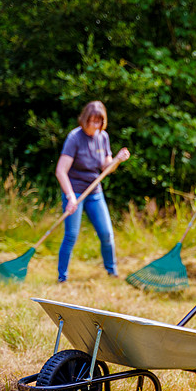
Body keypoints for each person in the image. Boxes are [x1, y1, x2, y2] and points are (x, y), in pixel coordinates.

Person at [54, 101, 130, 283]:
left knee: (106, 234)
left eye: (99, 122)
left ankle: (112, 272)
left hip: (94, 192)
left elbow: (106, 167)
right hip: (75, 192)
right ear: (85, 119)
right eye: (93, 121)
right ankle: (62, 277)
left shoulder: (103, 137)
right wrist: (70, 197)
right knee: (71, 235)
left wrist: (117, 160)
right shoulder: (74, 138)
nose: (96, 125)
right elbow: (60, 171)